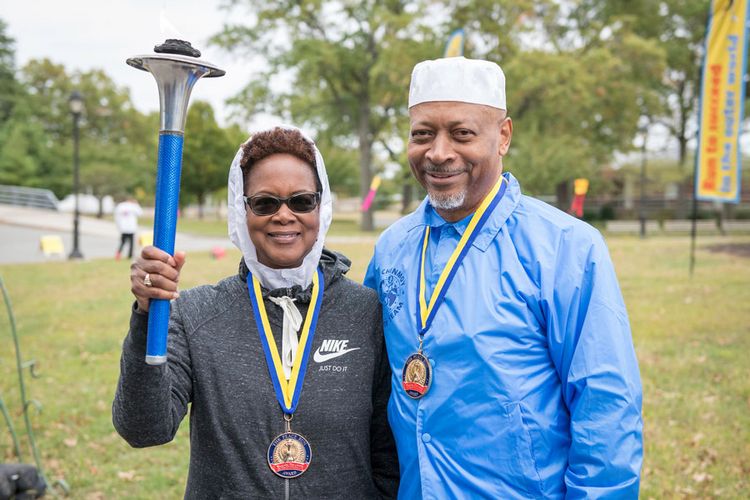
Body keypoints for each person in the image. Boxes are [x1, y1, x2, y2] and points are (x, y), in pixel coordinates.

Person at [365, 57, 643, 498]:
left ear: (503, 136)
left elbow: (605, 407)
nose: (438, 153)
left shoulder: (567, 248)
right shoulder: (392, 248)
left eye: (462, 134)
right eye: (423, 134)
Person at [113, 126, 398, 499]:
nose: (284, 215)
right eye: (264, 203)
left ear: (321, 207)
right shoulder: (196, 314)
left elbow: (388, 451)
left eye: (301, 201)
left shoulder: (367, 313)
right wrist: (148, 315)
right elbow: (143, 428)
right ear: (240, 210)